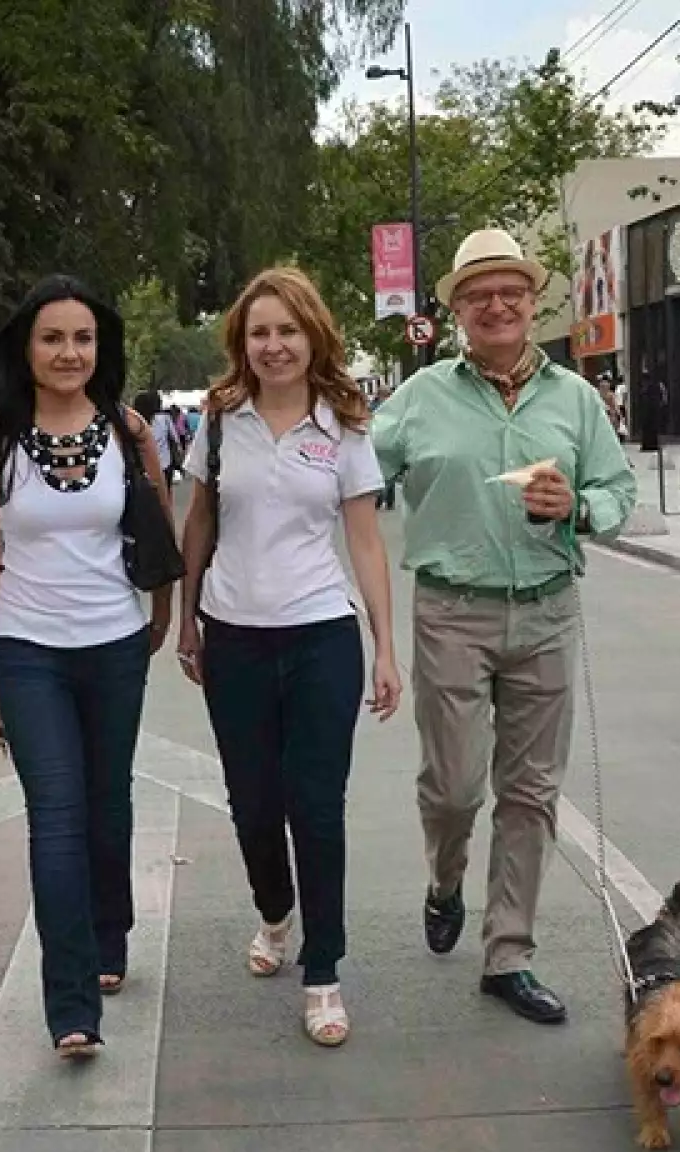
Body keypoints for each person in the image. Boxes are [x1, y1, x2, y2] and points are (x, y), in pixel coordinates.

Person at [372, 228, 637, 1025]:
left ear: (531, 302)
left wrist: (582, 507)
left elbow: (619, 495)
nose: (496, 305)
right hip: (452, 610)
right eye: (478, 294)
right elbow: (351, 474)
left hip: (550, 609)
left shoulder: (576, 400)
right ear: (456, 310)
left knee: (530, 793)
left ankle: (508, 953)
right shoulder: (418, 399)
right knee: (454, 789)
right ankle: (445, 879)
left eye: (510, 292)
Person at [176, 267, 402, 1047]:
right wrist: (187, 621)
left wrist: (384, 647)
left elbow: (365, 541)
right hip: (233, 635)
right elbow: (198, 523)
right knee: (253, 805)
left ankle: (324, 967)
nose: (274, 346)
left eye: (288, 331)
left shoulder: (344, 426)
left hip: (319, 637)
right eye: (260, 333)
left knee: (317, 806)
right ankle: (275, 911)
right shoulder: (218, 421)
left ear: (313, 338)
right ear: (243, 342)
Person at [0, 275, 173, 1059]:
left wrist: (161, 616)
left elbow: (155, 527)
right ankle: (71, 1006)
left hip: (114, 643)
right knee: (56, 815)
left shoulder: (129, 430)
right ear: (26, 346)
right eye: (52, 338)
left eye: (82, 338)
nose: (68, 353)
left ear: (100, 347)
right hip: (28, 650)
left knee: (106, 805)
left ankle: (109, 936)